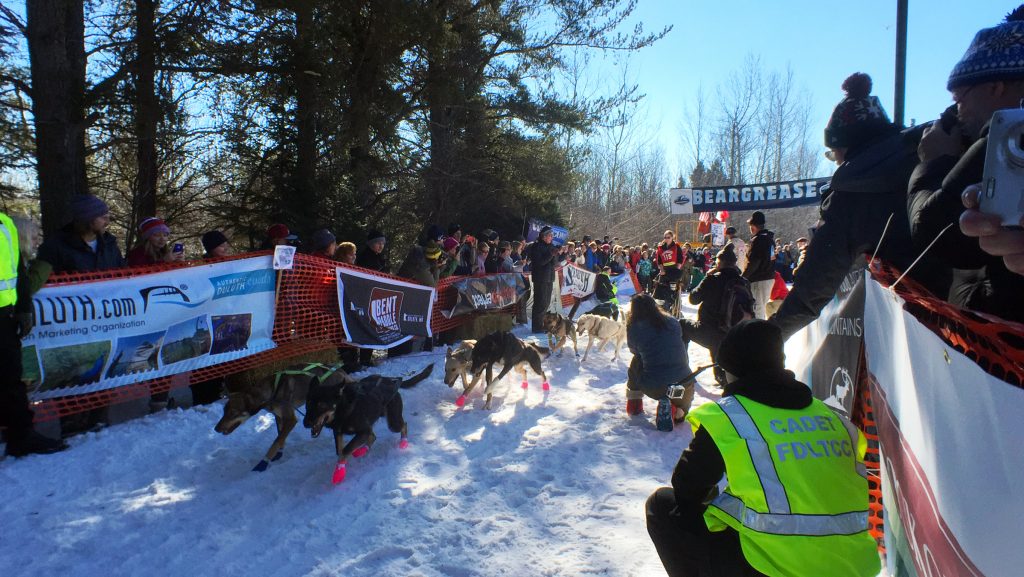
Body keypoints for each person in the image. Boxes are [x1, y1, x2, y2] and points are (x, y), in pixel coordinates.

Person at [646, 320, 880, 577]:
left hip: (774, 566)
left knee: (662, 505)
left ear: (731, 369)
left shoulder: (732, 418)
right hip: (853, 566)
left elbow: (687, 488)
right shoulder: (834, 420)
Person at [770, 72, 932, 338]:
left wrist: (770, 335)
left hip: (916, 332)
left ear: (846, 146)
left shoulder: (854, 188)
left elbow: (816, 285)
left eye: (833, 153)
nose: (835, 162)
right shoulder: (930, 152)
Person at [907, 8, 1024, 323]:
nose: (957, 113)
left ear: (995, 86)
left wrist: (934, 162)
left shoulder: (1006, 139)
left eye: (959, 99)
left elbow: (933, 231)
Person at [1, 212, 68, 457]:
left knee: (11, 379)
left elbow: (16, 270)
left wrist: (23, 308)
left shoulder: (4, 223)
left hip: (4, 316)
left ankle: (21, 436)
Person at [680, 244, 752, 387]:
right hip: (736, 334)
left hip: (711, 333)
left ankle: (682, 369)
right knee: (717, 332)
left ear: (720, 263)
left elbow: (693, 299)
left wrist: (707, 277)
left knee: (682, 325)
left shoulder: (712, 279)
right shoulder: (744, 282)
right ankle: (721, 375)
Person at [624, 293, 692, 424]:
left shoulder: (635, 327)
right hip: (685, 384)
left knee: (637, 360)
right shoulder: (672, 321)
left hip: (655, 385)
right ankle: (677, 411)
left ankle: (634, 402)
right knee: (676, 350)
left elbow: (634, 350)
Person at [37, 194, 124, 273]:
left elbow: (122, 275)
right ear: (88, 219)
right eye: (103, 218)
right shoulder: (55, 247)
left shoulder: (110, 244)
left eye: (108, 217)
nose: (107, 222)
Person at [741, 211, 775, 320]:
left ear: (753, 226)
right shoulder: (770, 239)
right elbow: (773, 259)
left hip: (758, 279)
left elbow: (754, 262)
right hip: (769, 277)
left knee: (757, 309)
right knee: (761, 307)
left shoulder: (758, 240)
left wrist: (743, 277)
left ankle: (758, 333)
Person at [525, 226, 558, 332]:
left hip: (549, 277)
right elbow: (540, 262)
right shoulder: (537, 246)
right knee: (540, 302)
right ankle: (536, 326)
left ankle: (541, 324)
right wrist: (550, 254)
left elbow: (554, 263)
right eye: (549, 235)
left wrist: (556, 254)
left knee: (546, 303)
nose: (551, 237)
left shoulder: (551, 246)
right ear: (543, 236)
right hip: (540, 278)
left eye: (552, 235)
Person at [654, 230, 686, 309]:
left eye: (668, 237)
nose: (666, 239)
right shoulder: (660, 247)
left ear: (672, 237)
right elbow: (659, 261)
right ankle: (659, 304)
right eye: (665, 237)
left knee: (672, 288)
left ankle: (671, 303)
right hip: (664, 270)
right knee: (659, 286)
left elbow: (680, 259)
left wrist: (677, 269)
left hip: (674, 269)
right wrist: (661, 270)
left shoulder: (676, 246)